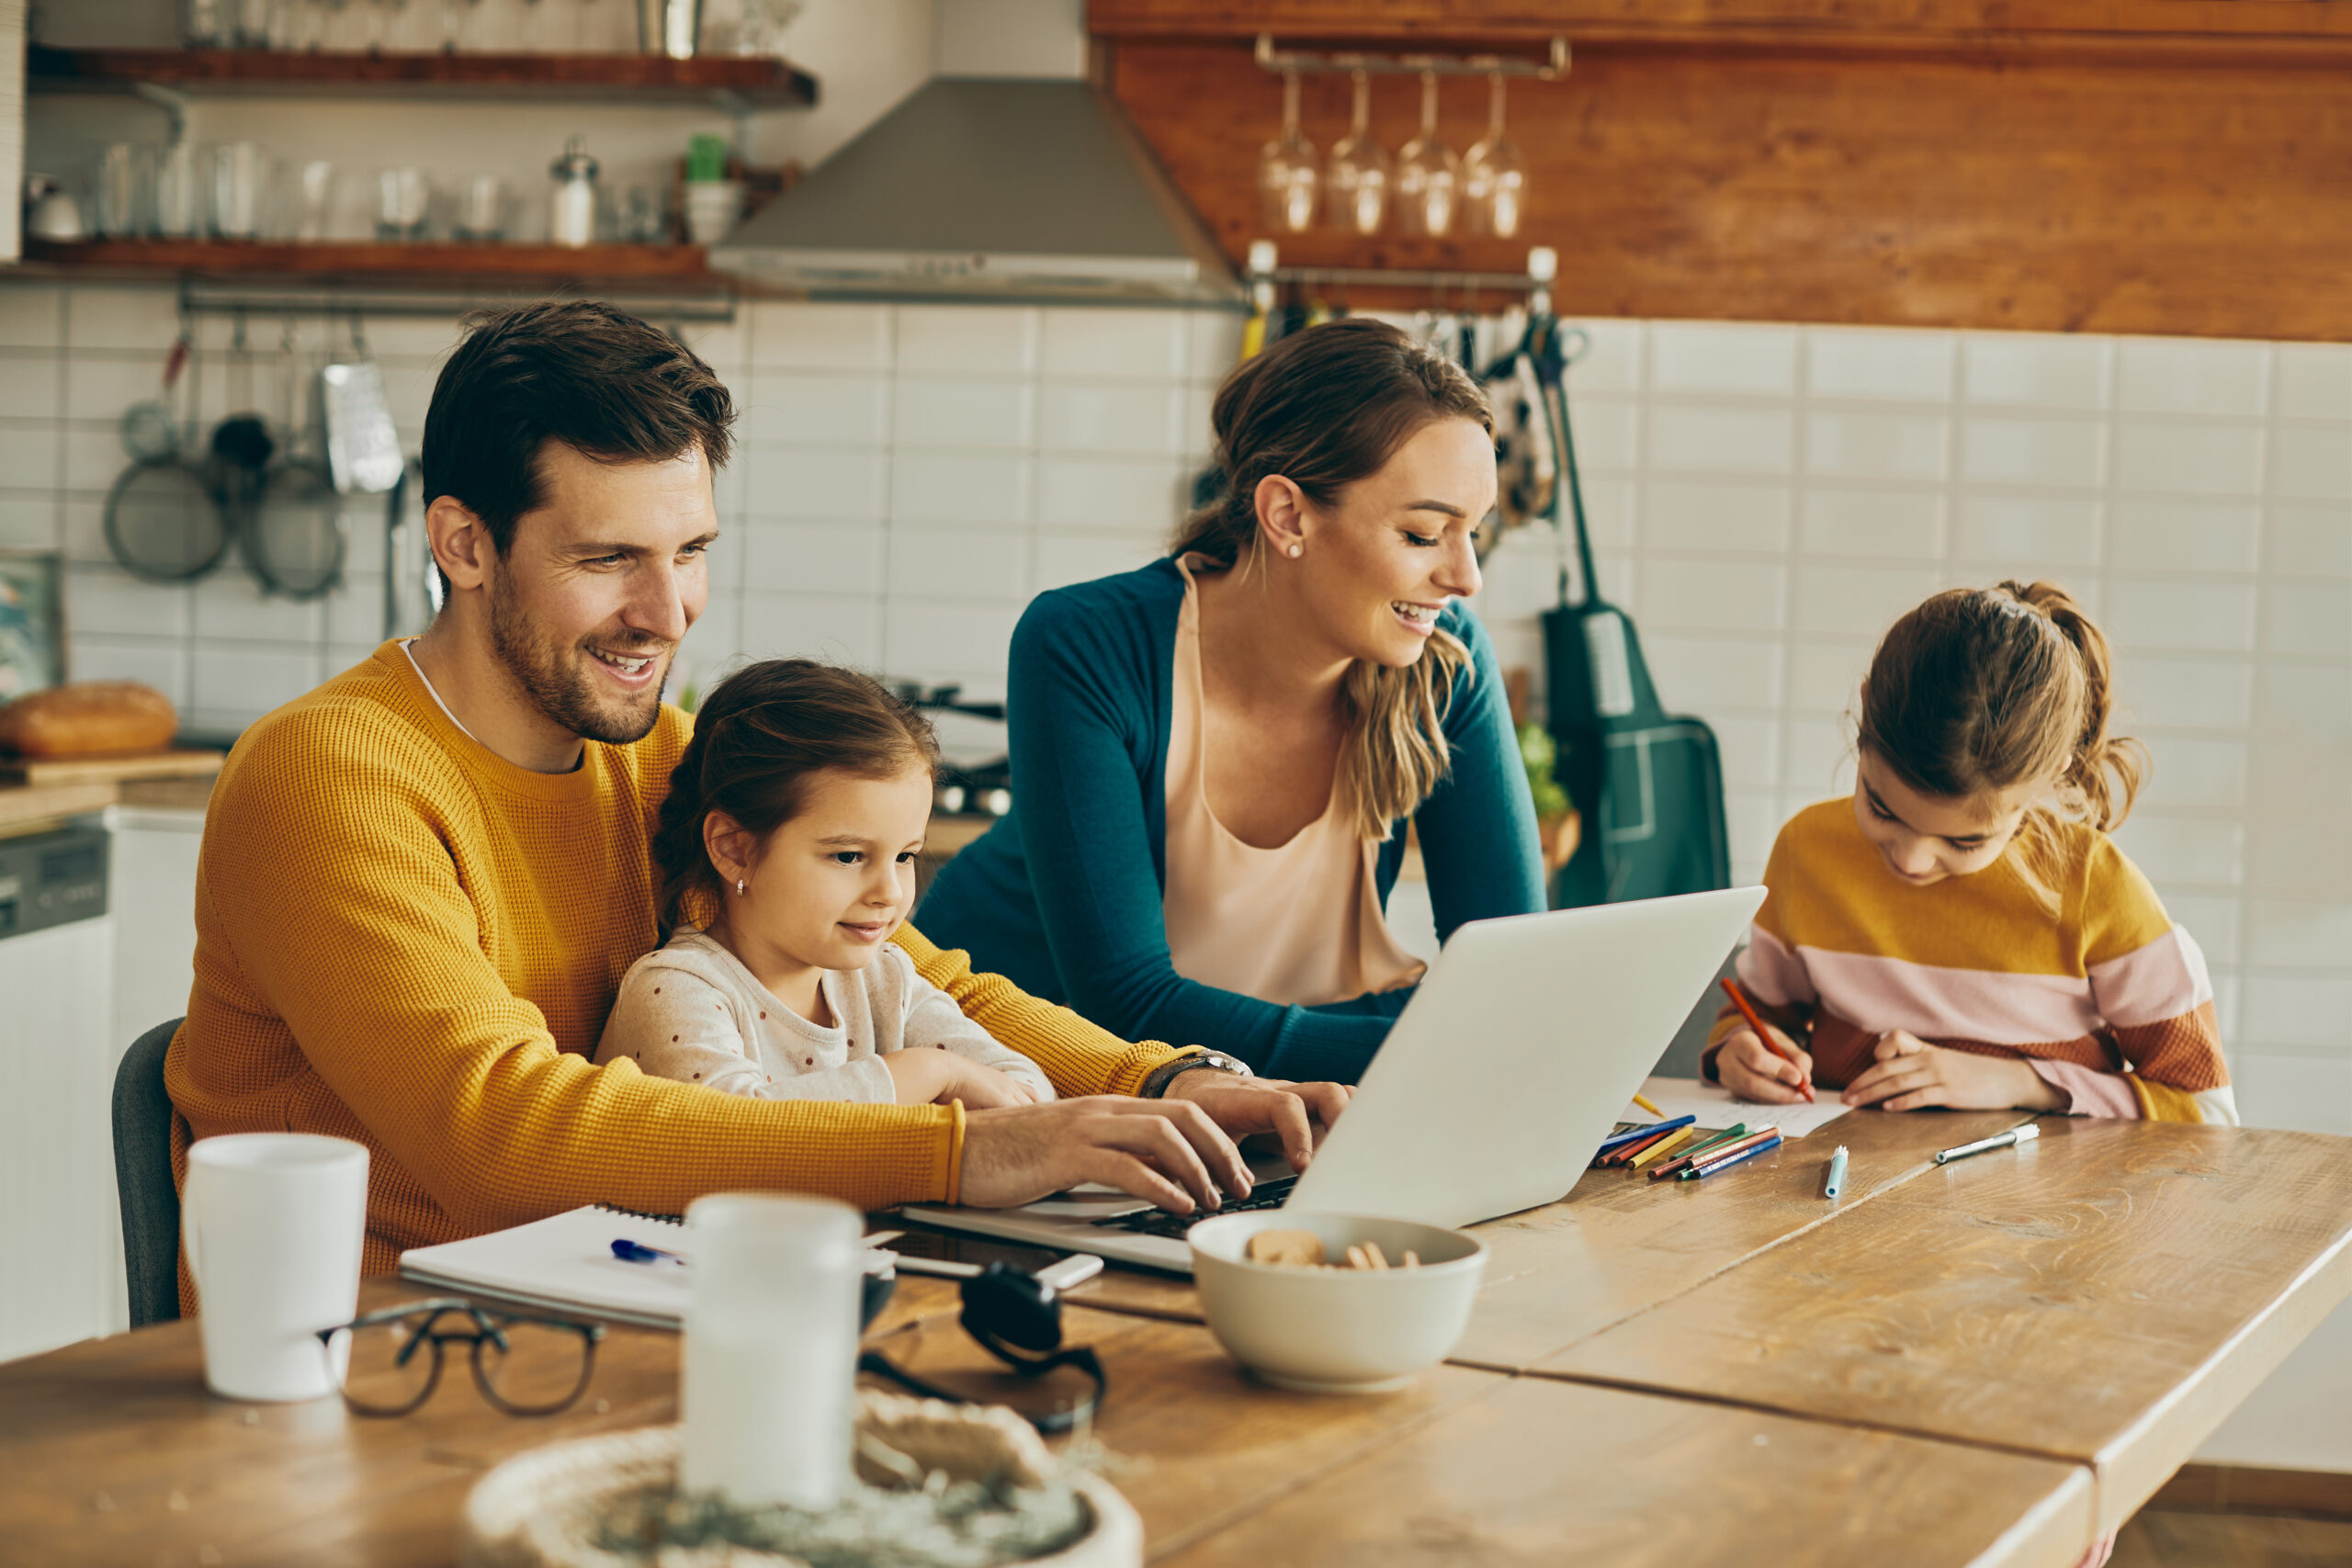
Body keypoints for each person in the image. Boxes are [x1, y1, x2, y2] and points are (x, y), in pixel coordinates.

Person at [165, 300, 1349, 1299]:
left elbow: (910, 975)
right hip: (389, 1360)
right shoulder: (333, 776)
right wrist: (960, 1152)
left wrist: (1167, 1084)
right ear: (464, 546)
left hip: (626, 1304)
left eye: (690, 551)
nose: (670, 611)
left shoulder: (654, 755)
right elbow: (501, 1137)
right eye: (607, 560)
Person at [918, 319, 1547, 1086]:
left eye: (1473, 533)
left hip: (1266, 1107)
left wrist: (1493, 1027)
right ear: (1288, 515)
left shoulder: (1446, 665)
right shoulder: (1087, 642)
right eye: (1422, 534)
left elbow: (1514, 976)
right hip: (1012, 1084)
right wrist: (1448, 1037)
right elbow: (1126, 1004)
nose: (1466, 577)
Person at [1706, 581, 2234, 1123]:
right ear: (1865, 712)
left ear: (2047, 780)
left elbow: (2206, 1112)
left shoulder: (2095, 887)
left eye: (1964, 841)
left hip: (2038, 1203)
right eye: (1882, 809)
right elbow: (1759, 1016)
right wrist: (1742, 1049)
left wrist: (2023, 1084)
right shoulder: (1807, 851)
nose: (1910, 860)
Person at [594, 659, 1050, 1109]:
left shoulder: (885, 980)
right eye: (849, 856)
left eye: (905, 856)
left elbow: (1024, 1089)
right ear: (734, 850)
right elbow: (735, 1129)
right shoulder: (673, 989)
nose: (889, 893)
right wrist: (932, 1073)